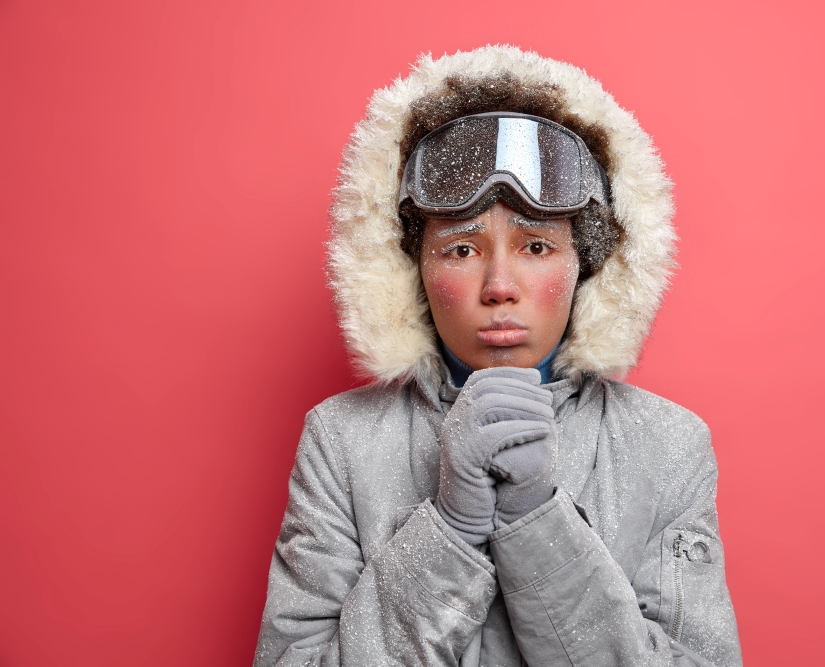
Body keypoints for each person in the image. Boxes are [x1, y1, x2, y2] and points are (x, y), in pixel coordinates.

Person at [253, 46, 742, 667]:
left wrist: (537, 520)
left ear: (587, 266)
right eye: (460, 249)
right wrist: (450, 527)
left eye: (537, 246)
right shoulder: (340, 440)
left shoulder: (669, 444)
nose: (499, 286)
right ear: (411, 270)